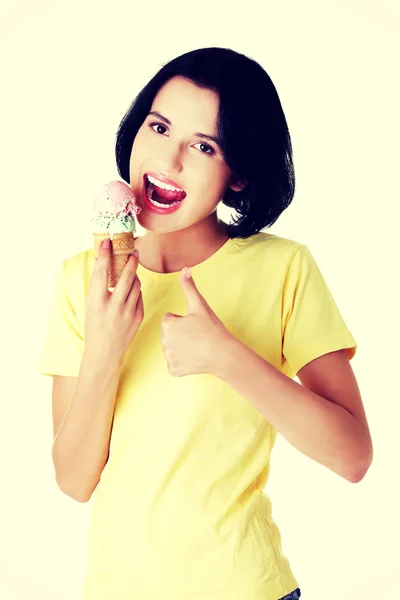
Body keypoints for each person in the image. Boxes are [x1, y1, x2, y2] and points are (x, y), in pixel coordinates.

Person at [38, 47, 373, 600]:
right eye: (159, 126)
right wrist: (104, 348)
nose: (168, 161)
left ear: (237, 175)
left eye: (202, 145)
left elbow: (353, 456)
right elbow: (74, 483)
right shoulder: (83, 281)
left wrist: (227, 357)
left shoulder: (283, 268)